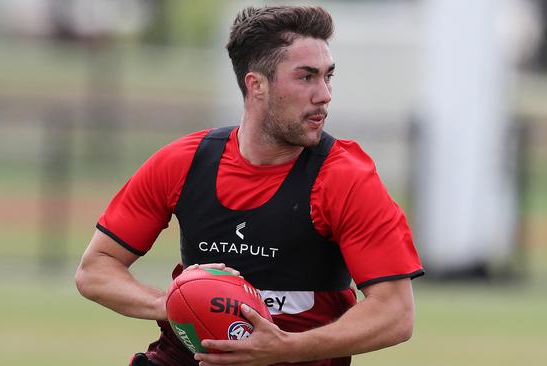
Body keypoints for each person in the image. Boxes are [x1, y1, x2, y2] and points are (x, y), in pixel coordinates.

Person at [75, 5, 424, 366]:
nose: (324, 94)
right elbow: (96, 268)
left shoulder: (344, 177)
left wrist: (287, 346)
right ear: (256, 84)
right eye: (306, 77)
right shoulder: (183, 163)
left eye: (327, 76)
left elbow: (395, 313)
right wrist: (173, 303)